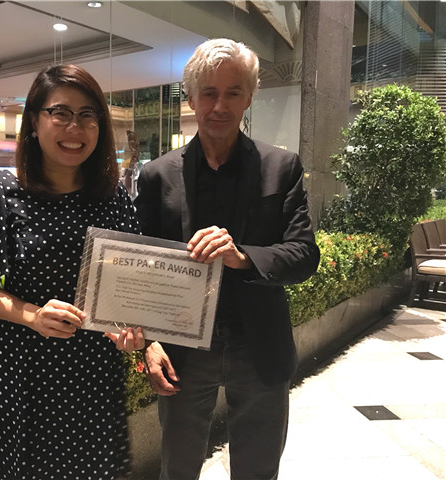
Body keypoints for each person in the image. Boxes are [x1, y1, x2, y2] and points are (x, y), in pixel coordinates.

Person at [0, 64, 143, 480]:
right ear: (34, 122)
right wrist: (32, 315)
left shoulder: (112, 198)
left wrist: (133, 330)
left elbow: (130, 284)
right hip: (25, 369)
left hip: (94, 373)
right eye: (61, 113)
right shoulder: (2, 190)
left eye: (87, 115)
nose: (75, 127)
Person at [134, 39, 320, 480]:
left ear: (249, 96)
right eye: (209, 93)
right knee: (177, 469)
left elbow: (304, 254)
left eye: (233, 92)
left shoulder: (282, 167)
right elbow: (141, 266)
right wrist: (148, 345)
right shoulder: (157, 175)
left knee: (257, 471)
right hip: (183, 349)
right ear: (191, 98)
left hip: (260, 346)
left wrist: (242, 257)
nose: (220, 106)